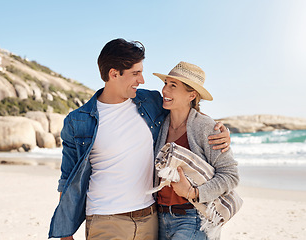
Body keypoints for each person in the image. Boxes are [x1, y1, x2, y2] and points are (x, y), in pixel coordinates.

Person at [48, 39, 231, 240]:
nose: (142, 80)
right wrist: (65, 234)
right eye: (135, 73)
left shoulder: (150, 102)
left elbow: (186, 109)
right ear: (114, 73)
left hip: (151, 219)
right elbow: (67, 178)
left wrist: (220, 130)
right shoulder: (78, 121)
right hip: (106, 220)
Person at [153, 61, 239, 240]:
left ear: (191, 95)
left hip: (192, 219)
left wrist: (194, 193)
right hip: (159, 218)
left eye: (173, 86)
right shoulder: (159, 124)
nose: (164, 91)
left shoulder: (206, 127)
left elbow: (230, 175)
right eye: (165, 84)